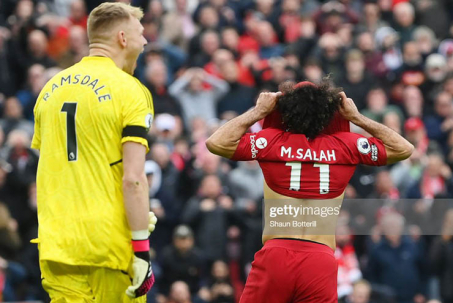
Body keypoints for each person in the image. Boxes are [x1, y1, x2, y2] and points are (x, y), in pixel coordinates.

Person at [206, 80, 413, 302]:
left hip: (277, 255)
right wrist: (357, 118)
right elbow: (403, 149)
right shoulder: (346, 145)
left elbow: (216, 143)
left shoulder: (271, 140)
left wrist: (258, 112)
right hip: (320, 260)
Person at [30, 3, 157, 302]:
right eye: (141, 34)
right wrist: (140, 244)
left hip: (56, 244)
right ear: (123, 38)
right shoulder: (130, 90)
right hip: (108, 246)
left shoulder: (49, 89)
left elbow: (59, 164)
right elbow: (133, 179)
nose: (146, 41)